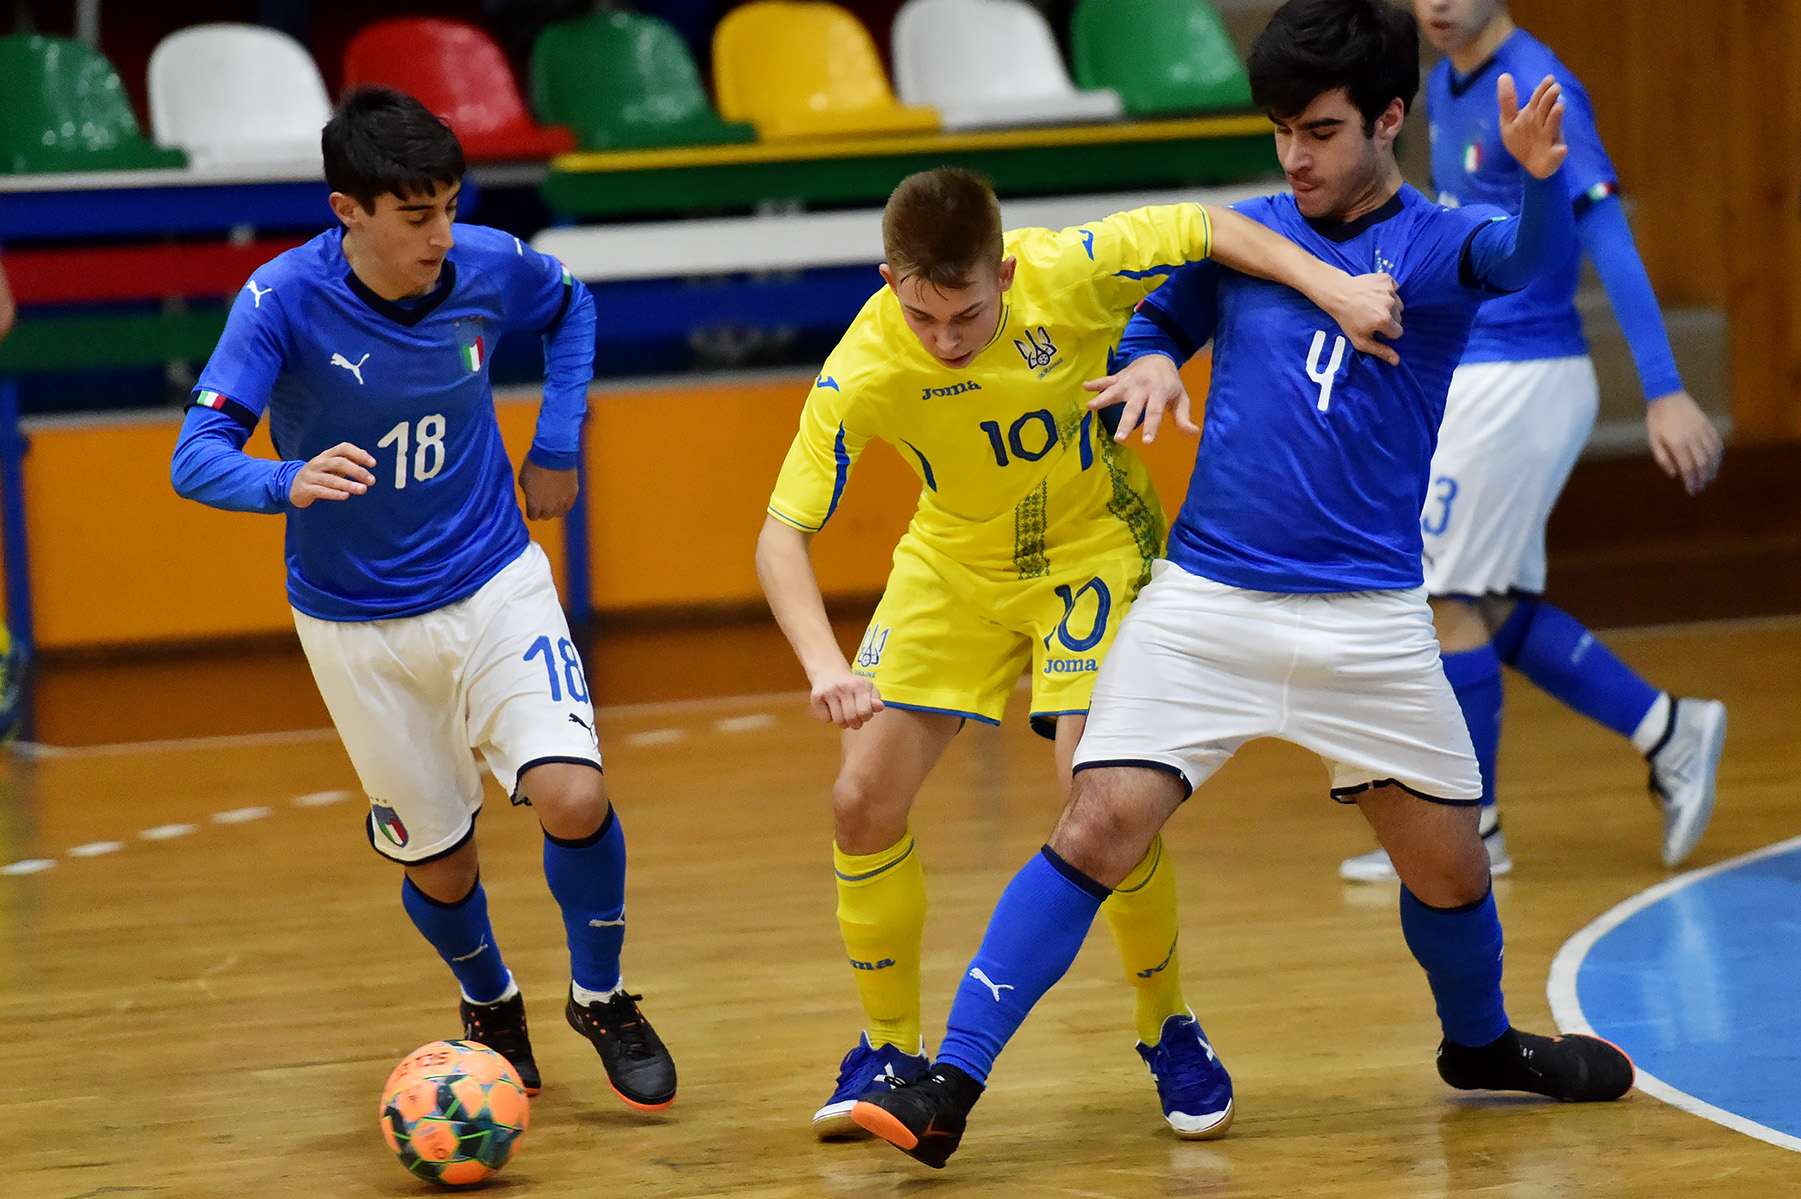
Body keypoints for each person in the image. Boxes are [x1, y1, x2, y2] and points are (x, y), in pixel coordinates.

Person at [850, 0, 1637, 1169]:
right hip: (1207, 603)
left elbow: (1522, 261)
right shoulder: (1246, 237)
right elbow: (1153, 323)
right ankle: (947, 1083)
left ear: (1389, 118)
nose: (1294, 157)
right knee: (1097, 821)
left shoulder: (1438, 241)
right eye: (1280, 132)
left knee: (1451, 866)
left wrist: (1533, 182)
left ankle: (1477, 1044)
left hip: (1368, 617)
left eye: (1320, 131)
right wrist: (1150, 362)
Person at [757, 166, 1404, 1138]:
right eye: (922, 315)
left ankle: (1167, 1022)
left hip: (1089, 547)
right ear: (890, 280)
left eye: (966, 315)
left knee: (1094, 789)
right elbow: (779, 536)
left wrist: (1334, 287)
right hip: (951, 564)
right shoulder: (863, 365)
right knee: (859, 798)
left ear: (1005, 272)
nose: (943, 339)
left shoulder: (1068, 269)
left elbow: (1207, 224)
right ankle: (885, 1048)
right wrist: (824, 666)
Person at [169, 86, 676, 1112]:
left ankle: (602, 995)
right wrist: (284, 479)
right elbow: (195, 455)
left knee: (573, 794)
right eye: (416, 215)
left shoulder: (485, 263)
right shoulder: (279, 300)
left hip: (494, 580)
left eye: (449, 206)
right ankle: (491, 1002)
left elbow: (572, 305)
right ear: (347, 211)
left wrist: (557, 441)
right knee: (441, 864)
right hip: (355, 622)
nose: (441, 235)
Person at [1338, 0, 1729, 883]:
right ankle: (1668, 727)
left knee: (1439, 595)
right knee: (1489, 603)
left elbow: (1605, 228)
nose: (1435, 4)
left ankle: (1471, 831)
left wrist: (1663, 387)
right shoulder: (1445, 81)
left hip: (1524, 375)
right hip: (1481, 374)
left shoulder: (1539, 81)